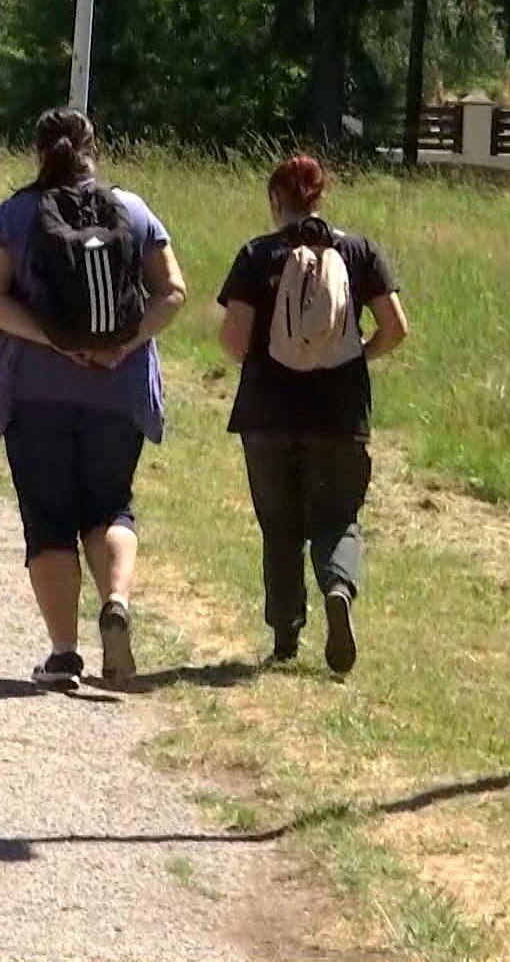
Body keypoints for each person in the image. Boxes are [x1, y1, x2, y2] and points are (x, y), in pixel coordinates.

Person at [0, 108, 187, 690]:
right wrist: (123, 343)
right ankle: (115, 599)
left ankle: (64, 654)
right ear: (96, 150)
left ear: (39, 153)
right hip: (117, 392)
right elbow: (173, 292)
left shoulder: (16, 213)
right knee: (109, 506)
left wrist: (53, 341)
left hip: (37, 390)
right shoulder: (134, 211)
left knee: (48, 520)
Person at [215, 155, 409, 674]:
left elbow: (234, 341)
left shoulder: (257, 254)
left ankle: (284, 639)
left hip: (267, 416)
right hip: (341, 416)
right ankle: (338, 588)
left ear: (275, 200)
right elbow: (396, 328)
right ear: (320, 197)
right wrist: (355, 355)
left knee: (280, 528)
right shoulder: (358, 251)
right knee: (337, 518)